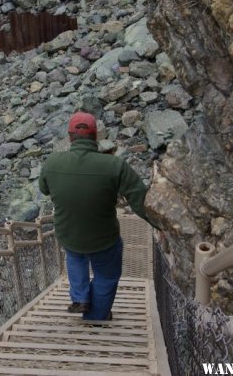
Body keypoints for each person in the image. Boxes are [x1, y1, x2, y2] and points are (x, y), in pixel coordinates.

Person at [38, 111, 154, 321]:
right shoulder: (114, 166)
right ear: (96, 136)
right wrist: (158, 225)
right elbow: (139, 199)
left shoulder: (52, 162)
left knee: (75, 255)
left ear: (70, 136)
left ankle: (80, 298)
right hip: (103, 237)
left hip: (68, 232)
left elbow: (45, 189)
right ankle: (96, 316)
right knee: (106, 275)